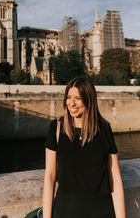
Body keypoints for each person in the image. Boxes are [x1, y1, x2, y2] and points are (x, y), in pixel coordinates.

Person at [43, 77, 126, 218]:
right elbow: (50, 177)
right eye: (68, 97)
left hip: (102, 212)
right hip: (66, 212)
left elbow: (115, 178)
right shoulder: (57, 128)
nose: (72, 103)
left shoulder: (104, 129)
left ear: (89, 100)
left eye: (78, 98)